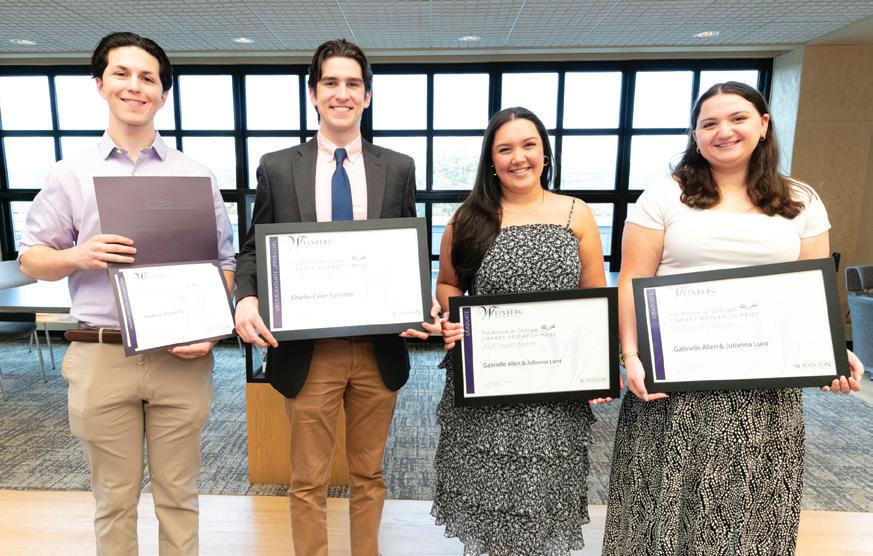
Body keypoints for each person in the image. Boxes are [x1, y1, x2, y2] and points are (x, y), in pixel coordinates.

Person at [601, 81, 865, 555]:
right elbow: (633, 280)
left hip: (763, 391)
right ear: (695, 135)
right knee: (663, 505)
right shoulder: (664, 195)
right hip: (674, 384)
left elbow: (810, 290)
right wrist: (630, 355)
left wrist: (830, 352)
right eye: (709, 123)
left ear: (763, 125)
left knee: (748, 510)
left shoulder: (801, 200)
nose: (723, 131)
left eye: (738, 118)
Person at [18, 32, 235, 555]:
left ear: (163, 94)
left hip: (180, 357)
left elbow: (225, 264)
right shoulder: (71, 174)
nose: (134, 86)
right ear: (100, 84)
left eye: (147, 78)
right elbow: (31, 258)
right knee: (113, 500)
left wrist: (210, 327)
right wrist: (77, 256)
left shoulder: (196, 176)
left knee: (179, 496)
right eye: (122, 74)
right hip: (102, 353)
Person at [233, 39, 418, 556]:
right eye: (330, 83)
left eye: (353, 84)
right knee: (308, 480)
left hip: (376, 347)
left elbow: (405, 249)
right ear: (313, 93)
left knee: (369, 474)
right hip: (309, 350)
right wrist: (245, 298)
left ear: (368, 95)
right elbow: (253, 249)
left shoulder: (398, 167)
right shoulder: (277, 167)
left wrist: (414, 299)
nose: (342, 93)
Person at [421, 106, 609, 555]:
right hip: (488, 382)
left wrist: (598, 368)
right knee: (491, 493)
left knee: (543, 490)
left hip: (555, 385)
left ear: (545, 153)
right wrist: (452, 317)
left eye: (529, 145)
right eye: (505, 149)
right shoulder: (467, 219)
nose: (518, 157)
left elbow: (594, 295)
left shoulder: (576, 213)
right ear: (491, 160)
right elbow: (448, 284)